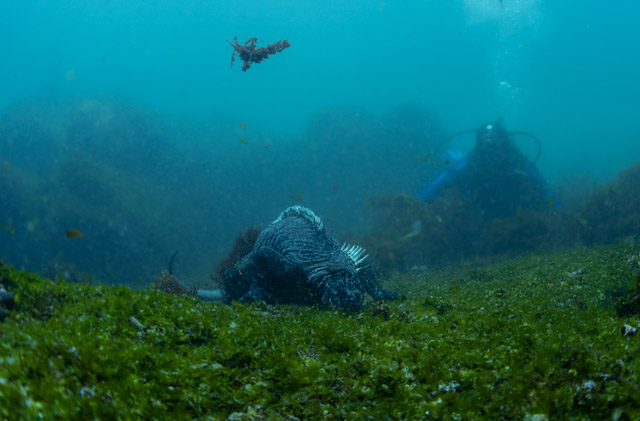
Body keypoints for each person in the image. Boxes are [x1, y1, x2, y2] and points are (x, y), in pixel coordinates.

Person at [416, 120, 557, 219]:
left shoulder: (518, 160)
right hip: (480, 212)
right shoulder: (469, 162)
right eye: (486, 141)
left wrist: (556, 208)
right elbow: (439, 185)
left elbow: (542, 186)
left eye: (495, 141)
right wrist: (417, 203)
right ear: (479, 143)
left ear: (504, 142)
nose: (491, 146)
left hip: (517, 209)